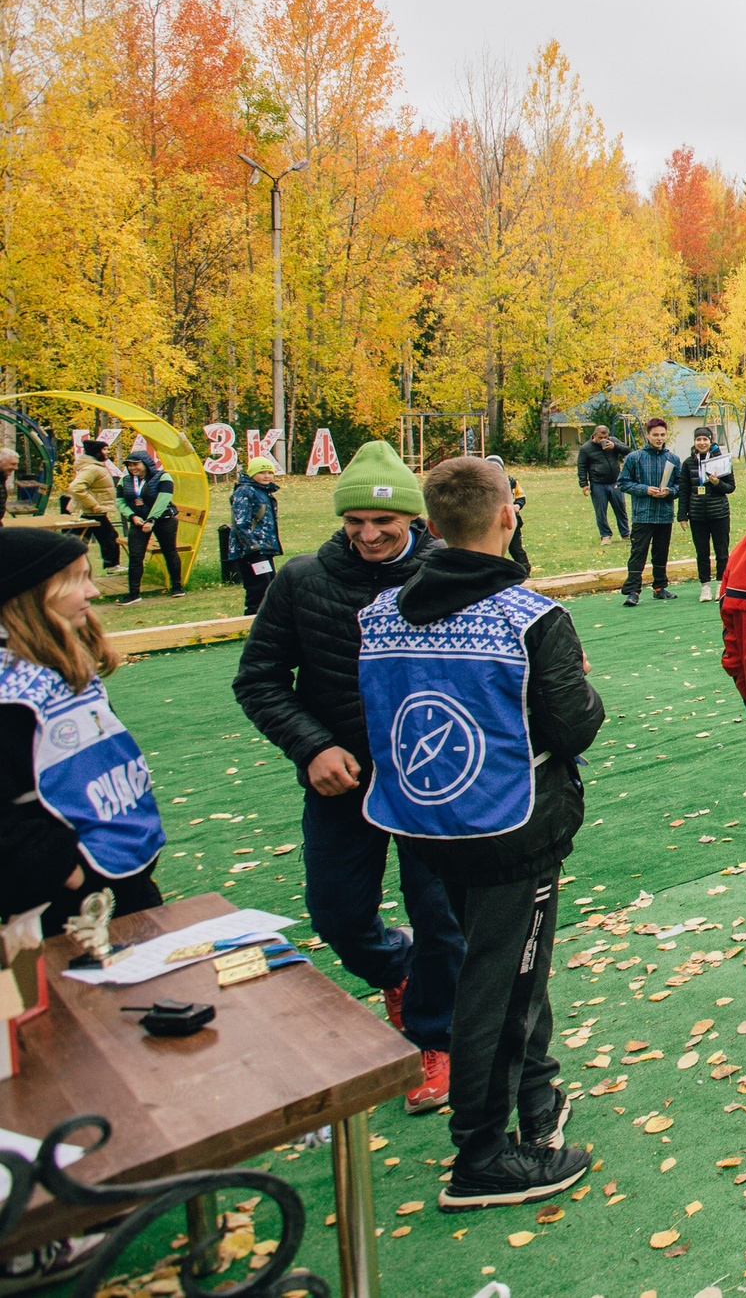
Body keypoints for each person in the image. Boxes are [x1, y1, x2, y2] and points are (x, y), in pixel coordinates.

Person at [353, 456, 601, 1211]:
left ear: (428, 526)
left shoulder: (379, 611)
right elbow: (574, 722)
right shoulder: (533, 619)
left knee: (495, 971)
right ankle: (483, 1155)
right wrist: (582, 684)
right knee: (503, 982)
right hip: (508, 829)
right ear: (508, 516)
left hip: (422, 821)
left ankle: (534, 1093)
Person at [233, 439, 461, 1115]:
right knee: (335, 910)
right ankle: (397, 968)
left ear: (413, 520)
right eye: (354, 520)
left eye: (383, 521)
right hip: (342, 777)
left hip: (430, 780)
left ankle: (433, 1035)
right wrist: (311, 747)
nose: (368, 533)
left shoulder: (447, 573)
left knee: (441, 915)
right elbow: (260, 679)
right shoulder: (302, 580)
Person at [0, 528, 165, 935]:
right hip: (52, 913)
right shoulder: (10, 696)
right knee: (58, 999)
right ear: (29, 595)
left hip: (120, 883)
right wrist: (72, 874)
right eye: (76, 580)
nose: (92, 593)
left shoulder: (65, 669)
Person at [617, 417, 682, 604]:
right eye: (655, 435)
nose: (659, 438)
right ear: (647, 435)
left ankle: (660, 587)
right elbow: (622, 483)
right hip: (643, 514)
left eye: (662, 435)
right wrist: (644, 490)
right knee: (639, 552)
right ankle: (633, 591)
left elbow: (680, 486)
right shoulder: (634, 458)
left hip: (664, 514)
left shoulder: (673, 458)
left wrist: (669, 492)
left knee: (661, 552)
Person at [115, 445, 184, 603]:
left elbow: (164, 498)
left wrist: (152, 519)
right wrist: (132, 516)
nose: (133, 468)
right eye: (129, 465)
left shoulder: (163, 477)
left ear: (145, 463)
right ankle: (134, 593)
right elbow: (119, 502)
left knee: (170, 552)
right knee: (135, 556)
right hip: (138, 521)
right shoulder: (125, 481)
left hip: (163, 519)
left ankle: (177, 587)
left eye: (136, 464)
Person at [678, 426, 737, 602]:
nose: (702, 443)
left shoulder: (721, 461)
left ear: (710, 441)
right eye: (698, 440)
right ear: (694, 442)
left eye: (705, 439)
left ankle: (721, 584)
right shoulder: (688, 463)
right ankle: (705, 587)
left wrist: (718, 482)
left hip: (719, 513)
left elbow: (731, 487)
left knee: (721, 551)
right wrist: (682, 514)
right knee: (702, 552)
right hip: (697, 515)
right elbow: (683, 490)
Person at [231, 454, 284, 615]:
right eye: (262, 472)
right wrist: (252, 546)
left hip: (265, 548)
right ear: (252, 474)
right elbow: (240, 522)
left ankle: (267, 620)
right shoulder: (245, 491)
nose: (267, 476)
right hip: (251, 550)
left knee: (270, 585)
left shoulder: (264, 492)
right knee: (258, 587)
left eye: (270, 472)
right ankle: (251, 620)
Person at [68, 438, 119, 569]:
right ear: (96, 452)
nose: (107, 452)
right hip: (90, 511)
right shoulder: (92, 469)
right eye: (104, 449)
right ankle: (111, 566)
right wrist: (93, 504)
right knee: (106, 537)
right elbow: (76, 487)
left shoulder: (95, 466)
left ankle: (111, 565)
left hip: (92, 511)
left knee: (106, 537)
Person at [575, 425, 629, 543]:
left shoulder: (613, 441)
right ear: (594, 436)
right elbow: (582, 467)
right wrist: (584, 484)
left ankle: (625, 533)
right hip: (598, 483)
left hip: (615, 482)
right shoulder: (586, 448)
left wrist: (615, 446)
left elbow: (627, 450)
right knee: (601, 511)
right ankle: (605, 535)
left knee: (620, 508)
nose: (603, 440)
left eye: (605, 437)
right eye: (600, 437)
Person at [486, 455, 531, 571]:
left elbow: (521, 496)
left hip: (511, 520)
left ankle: (525, 570)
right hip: (491, 521)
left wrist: (517, 505)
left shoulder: (511, 483)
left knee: (515, 548)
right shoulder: (482, 486)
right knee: (494, 548)